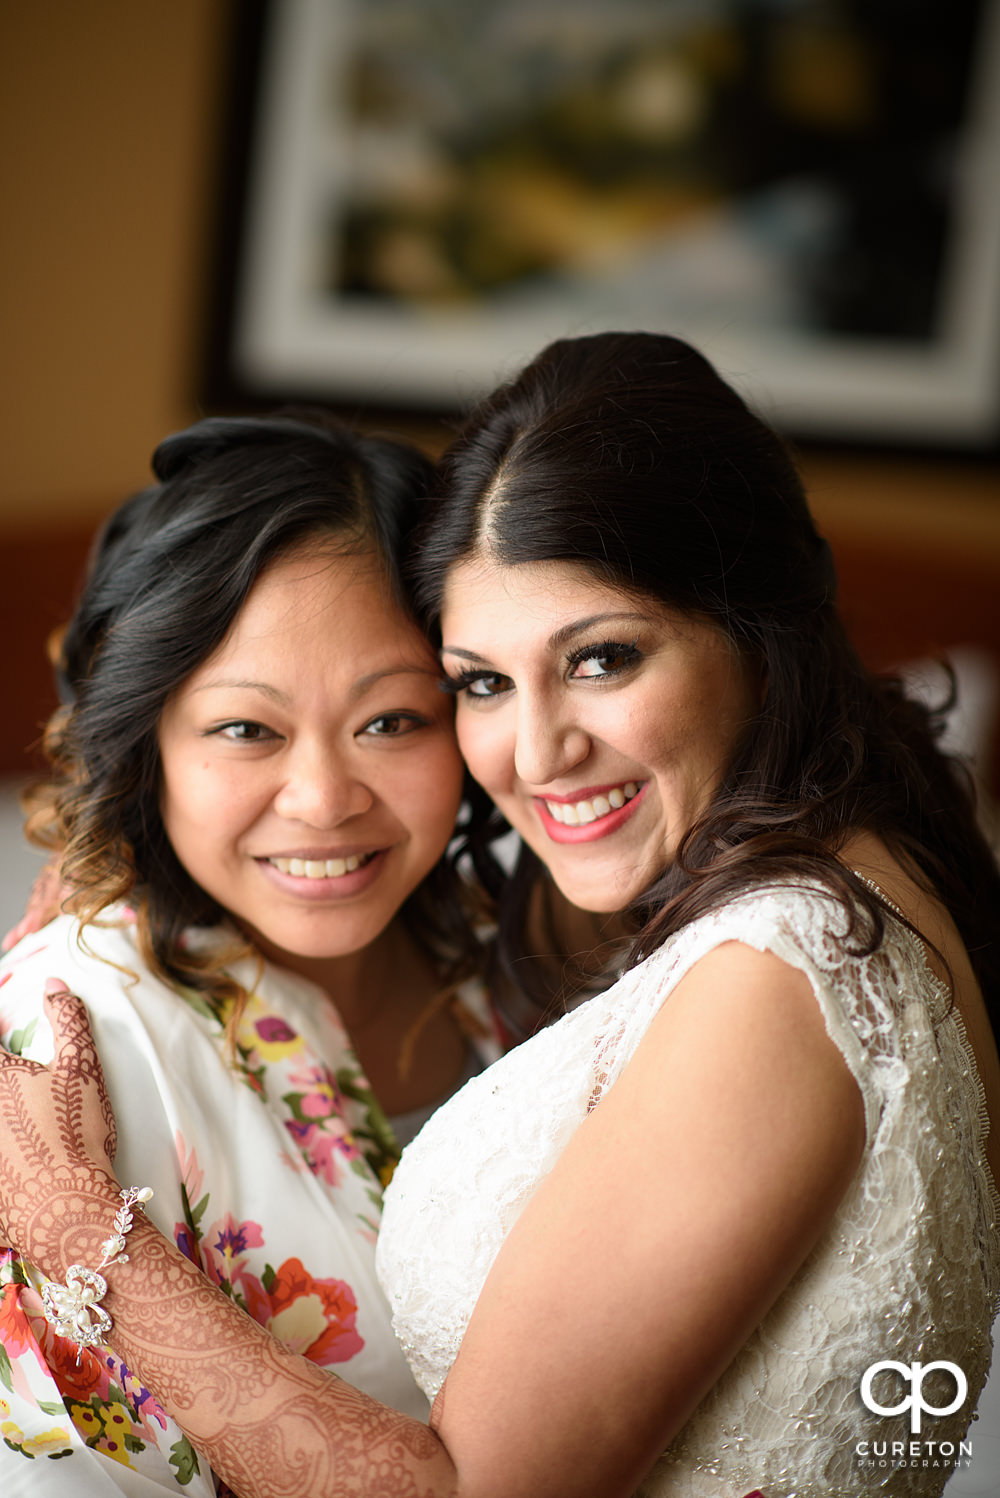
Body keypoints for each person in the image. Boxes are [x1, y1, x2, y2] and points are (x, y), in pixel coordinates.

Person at [1, 330, 999, 1498]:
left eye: (603, 658)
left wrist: (81, 1235)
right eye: (481, 681)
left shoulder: (750, 966)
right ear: (145, 746)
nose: (536, 755)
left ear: (757, 634)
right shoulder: (73, 1036)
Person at [0, 412, 503, 1495]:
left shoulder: (507, 959)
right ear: (148, 745)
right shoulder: (67, 1045)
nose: (324, 799)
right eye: (246, 730)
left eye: (393, 721)